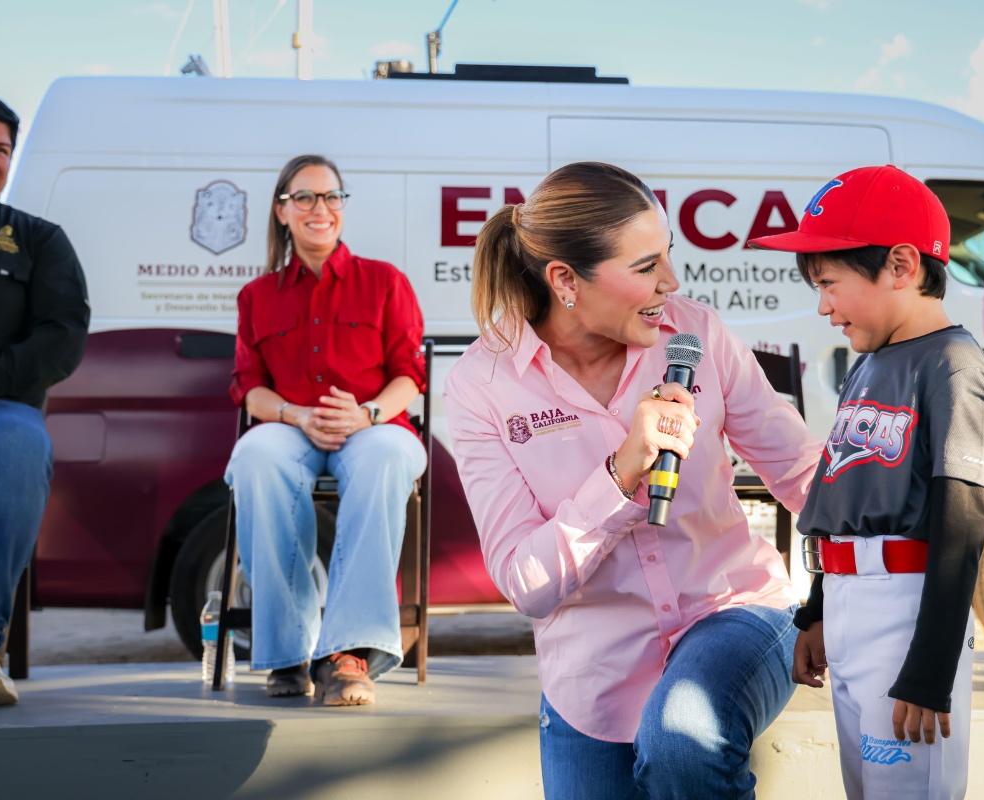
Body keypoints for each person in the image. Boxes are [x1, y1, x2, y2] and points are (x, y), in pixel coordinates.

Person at [444, 161, 822, 799]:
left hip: (732, 609)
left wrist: (880, 580)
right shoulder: (482, 384)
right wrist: (621, 474)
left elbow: (803, 472)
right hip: (591, 676)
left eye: (666, 257)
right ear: (565, 280)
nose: (670, 283)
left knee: (683, 739)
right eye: (646, 268)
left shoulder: (696, 333)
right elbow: (522, 581)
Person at [751, 165, 984, 800]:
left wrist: (929, 671)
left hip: (908, 609)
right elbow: (843, 496)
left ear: (901, 266)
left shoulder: (954, 367)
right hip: (846, 601)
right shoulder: (869, 365)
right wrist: (815, 610)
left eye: (831, 283)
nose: (823, 305)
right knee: (864, 789)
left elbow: (964, 523)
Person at [225, 154, 426, 706]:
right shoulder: (257, 296)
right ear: (281, 210)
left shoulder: (385, 281)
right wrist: (296, 414)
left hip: (374, 425)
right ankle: (287, 653)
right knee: (255, 456)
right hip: (292, 424)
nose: (321, 208)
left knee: (387, 456)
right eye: (306, 197)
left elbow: (411, 375)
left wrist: (368, 415)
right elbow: (249, 388)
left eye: (332, 196)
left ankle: (348, 654)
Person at [0, 96, 90, 707]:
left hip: (4, 408)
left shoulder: (38, 241)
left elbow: (63, 335)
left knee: (20, 445)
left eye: (0, 150)